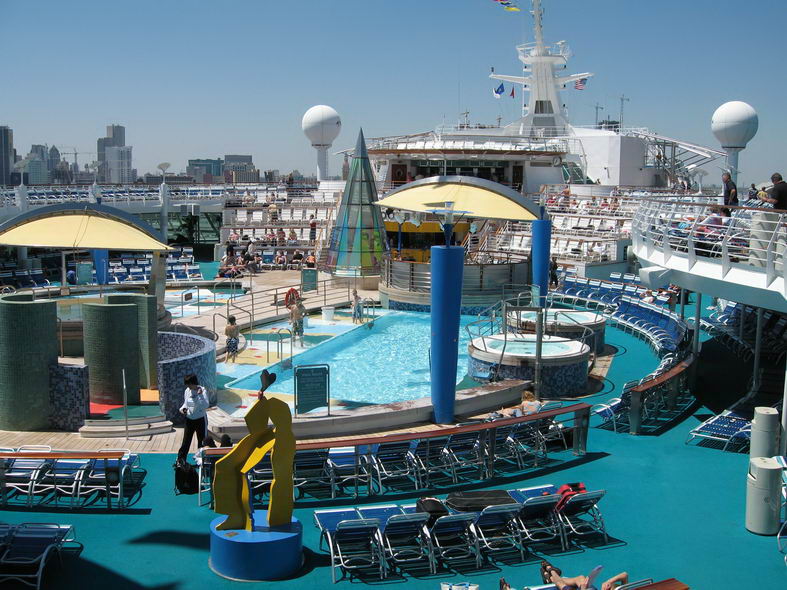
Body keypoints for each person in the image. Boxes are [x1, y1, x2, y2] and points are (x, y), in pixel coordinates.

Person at [177, 374, 212, 463]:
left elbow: (206, 405)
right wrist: (183, 410)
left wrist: (200, 395)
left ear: (194, 383)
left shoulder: (202, 390)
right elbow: (186, 404)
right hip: (189, 420)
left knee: (202, 442)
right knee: (186, 442)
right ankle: (181, 460)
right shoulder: (187, 391)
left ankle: (202, 460)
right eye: (187, 384)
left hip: (200, 420)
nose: (188, 386)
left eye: (189, 384)